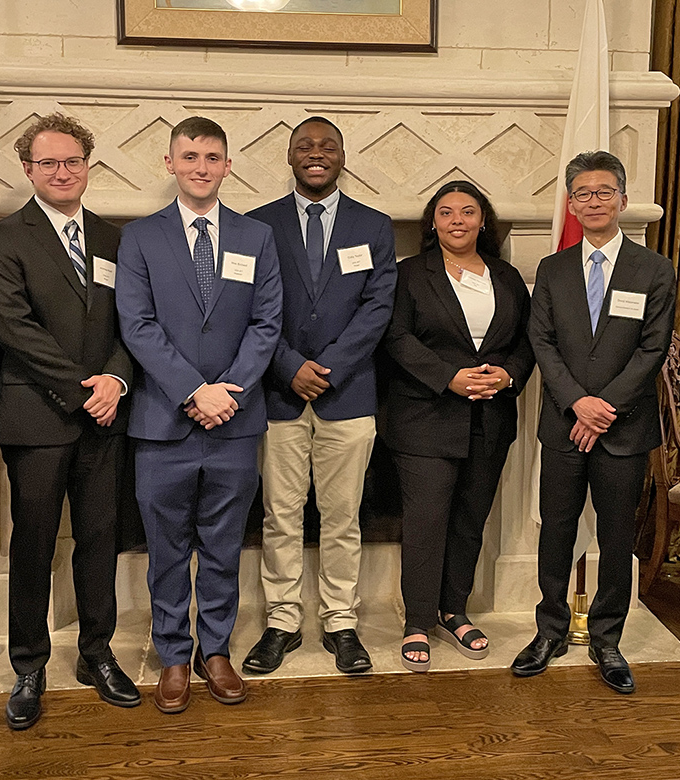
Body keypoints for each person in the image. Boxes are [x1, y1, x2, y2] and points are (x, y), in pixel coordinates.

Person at [0, 113, 140, 730]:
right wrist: (82, 388)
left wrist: (117, 380)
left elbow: (135, 321)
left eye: (71, 161)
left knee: (100, 540)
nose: (62, 172)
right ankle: (29, 665)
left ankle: (97, 655)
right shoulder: (4, 239)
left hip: (105, 417)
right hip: (38, 417)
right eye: (47, 163)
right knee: (35, 545)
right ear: (27, 170)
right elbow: (12, 329)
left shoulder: (114, 239)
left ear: (87, 166)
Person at [116, 116, 282, 713]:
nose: (201, 167)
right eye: (190, 156)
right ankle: (173, 655)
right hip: (164, 421)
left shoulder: (256, 236)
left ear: (228, 165)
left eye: (212, 156)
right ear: (170, 163)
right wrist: (193, 391)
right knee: (166, 545)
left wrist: (228, 390)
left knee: (222, 543)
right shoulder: (138, 238)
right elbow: (136, 325)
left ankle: (216, 651)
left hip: (235, 422)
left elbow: (267, 324)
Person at [511, 151, 676, 693]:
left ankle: (608, 639)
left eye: (605, 191)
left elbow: (653, 348)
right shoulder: (552, 269)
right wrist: (578, 403)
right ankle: (550, 629)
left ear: (623, 200)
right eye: (583, 193)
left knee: (615, 535)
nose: (594, 201)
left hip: (623, 430)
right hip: (564, 424)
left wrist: (604, 407)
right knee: (556, 531)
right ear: (572, 204)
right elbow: (542, 342)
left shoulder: (655, 269)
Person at [242, 117, 397, 675]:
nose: (316, 153)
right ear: (288, 156)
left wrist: (326, 368)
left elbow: (377, 308)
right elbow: (251, 309)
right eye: (304, 145)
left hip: (348, 395)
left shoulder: (374, 226)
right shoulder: (256, 225)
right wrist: (288, 367)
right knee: (280, 514)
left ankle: (340, 621)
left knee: (343, 514)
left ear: (342, 157)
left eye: (327, 146)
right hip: (278, 397)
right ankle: (282, 620)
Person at [381, 180, 535, 672]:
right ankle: (418, 621)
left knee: (470, 521)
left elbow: (527, 342)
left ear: (482, 220)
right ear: (432, 222)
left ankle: (455, 609)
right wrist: (448, 377)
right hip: (425, 417)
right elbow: (395, 336)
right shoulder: (409, 275)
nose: (457, 221)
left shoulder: (507, 276)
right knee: (426, 523)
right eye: (446, 212)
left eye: (468, 212)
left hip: (489, 417)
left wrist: (508, 374)